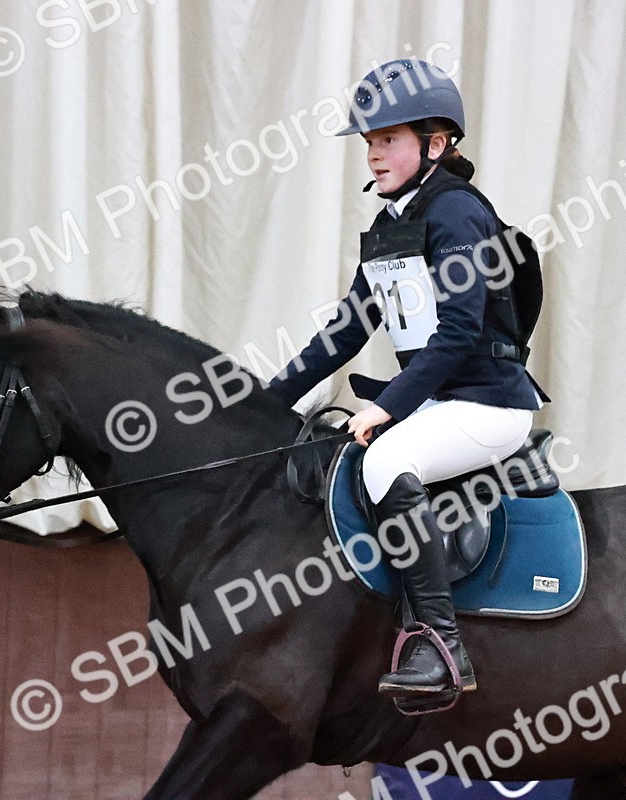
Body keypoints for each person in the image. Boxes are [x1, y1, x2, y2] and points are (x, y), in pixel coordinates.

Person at [267, 59, 547, 699]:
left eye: (388, 139)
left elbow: (459, 333)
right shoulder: (391, 225)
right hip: (437, 403)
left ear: (436, 144)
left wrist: (387, 407)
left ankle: (441, 645)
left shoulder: (457, 214)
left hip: (487, 405)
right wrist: (266, 400)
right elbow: (346, 331)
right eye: (369, 141)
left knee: (385, 460)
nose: (373, 154)